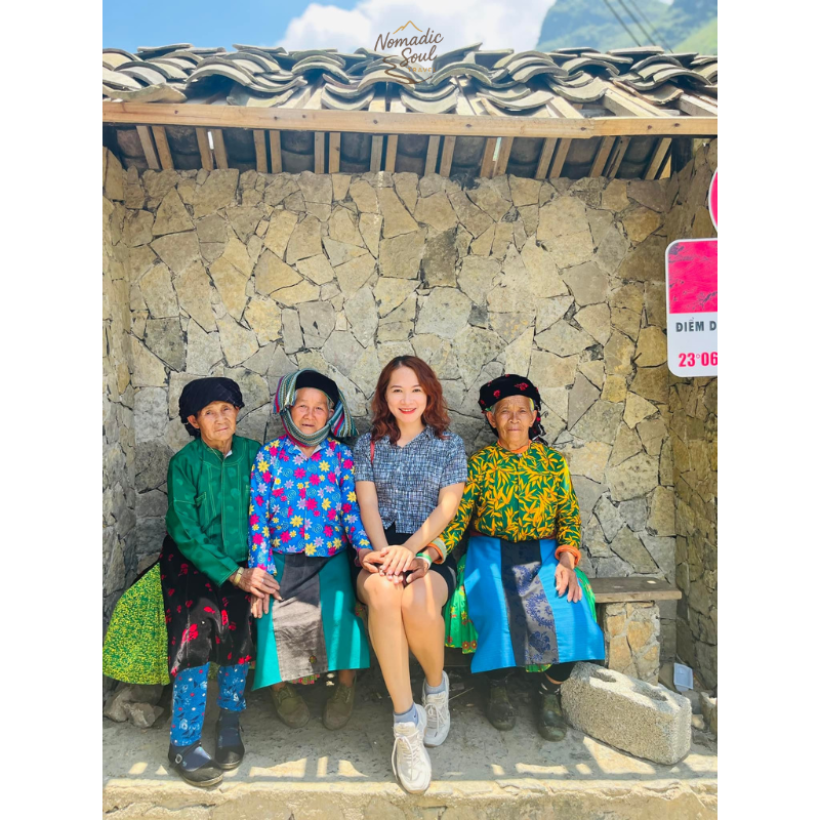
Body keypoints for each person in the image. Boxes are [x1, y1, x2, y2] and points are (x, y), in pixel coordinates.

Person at [433, 374, 605, 741]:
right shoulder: (479, 464)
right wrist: (433, 550)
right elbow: (458, 518)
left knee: (573, 615)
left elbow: (569, 517)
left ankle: (548, 691)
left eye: (521, 411)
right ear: (491, 419)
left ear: (534, 416)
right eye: (504, 411)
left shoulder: (553, 463)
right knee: (499, 613)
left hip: (546, 554)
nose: (513, 418)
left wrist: (567, 562)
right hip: (490, 553)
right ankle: (498, 686)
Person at [157, 377, 281, 787]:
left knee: (238, 629)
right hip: (192, 561)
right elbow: (184, 529)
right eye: (209, 413)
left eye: (226, 409)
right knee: (194, 629)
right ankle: (183, 741)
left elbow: (268, 513)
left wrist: (254, 570)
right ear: (194, 421)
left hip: (245, 561)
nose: (220, 418)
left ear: (238, 412)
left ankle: (229, 722)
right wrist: (235, 574)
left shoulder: (255, 455)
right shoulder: (184, 463)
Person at [352, 356, 467, 794]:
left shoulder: (449, 445)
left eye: (416, 389)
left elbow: (447, 508)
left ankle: (435, 691)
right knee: (384, 595)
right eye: (397, 389)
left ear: (429, 394)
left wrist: (412, 551)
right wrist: (385, 554)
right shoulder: (367, 445)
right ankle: (405, 724)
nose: (407, 399)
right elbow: (367, 504)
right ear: (384, 396)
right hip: (378, 546)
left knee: (417, 601)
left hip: (427, 548)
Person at [248, 369, 371, 731]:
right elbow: (258, 518)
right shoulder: (269, 456)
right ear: (288, 409)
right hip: (281, 558)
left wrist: (364, 549)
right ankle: (281, 689)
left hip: (329, 560)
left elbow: (351, 511)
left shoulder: (341, 457)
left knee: (340, 614)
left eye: (320, 408)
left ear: (331, 414)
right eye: (302, 405)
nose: (310, 414)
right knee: (271, 614)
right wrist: (261, 570)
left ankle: (345, 687)